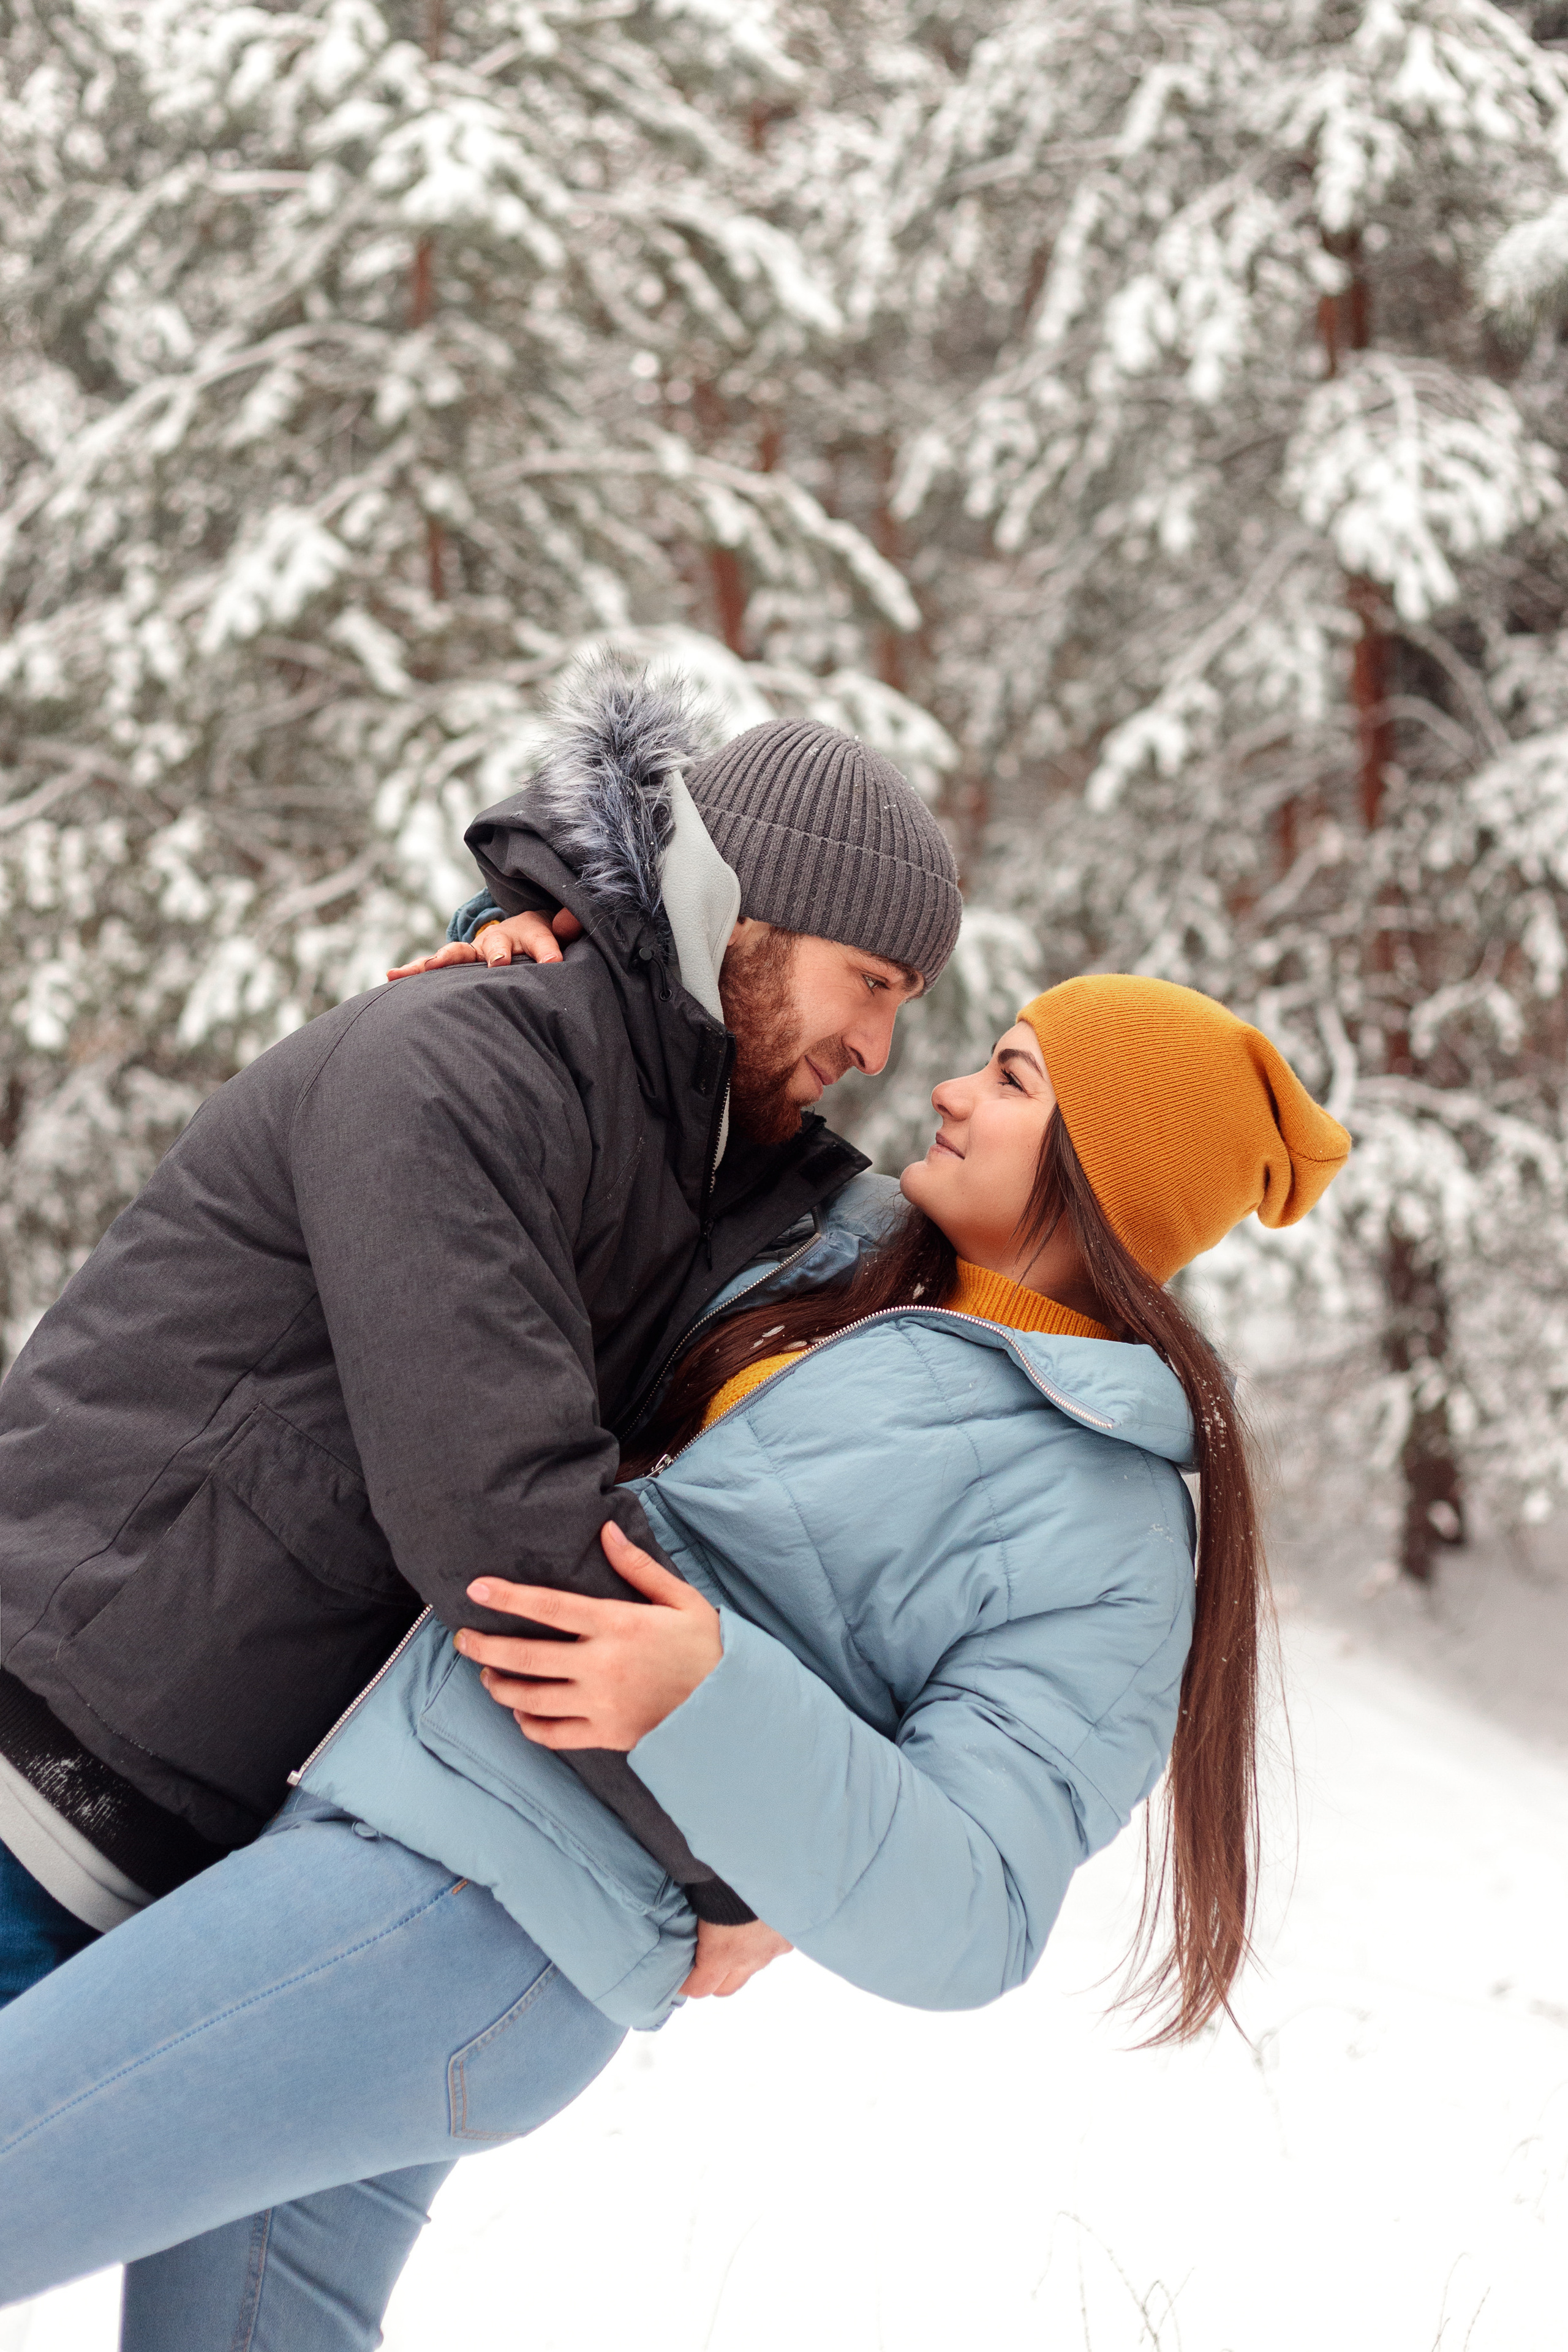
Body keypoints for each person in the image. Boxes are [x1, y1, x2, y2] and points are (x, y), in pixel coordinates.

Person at [0, 974, 1351, 2350]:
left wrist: (709, 1708)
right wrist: (522, 921)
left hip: (481, 1914)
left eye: (1012, 1079)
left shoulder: (1108, 1533)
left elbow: (976, 1907)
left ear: (1110, 1173)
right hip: (385, 1833)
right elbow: (629, 1082)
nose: (948, 1088)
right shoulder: (833, 1246)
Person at [0, 654, 962, 2005]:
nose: (877, 1049)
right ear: (747, 912)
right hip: (48, 1769)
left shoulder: (680, 1151)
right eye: (869, 981)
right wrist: (723, 1852)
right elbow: (498, 1512)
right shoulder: (463, 1063)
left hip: (192, 1830)